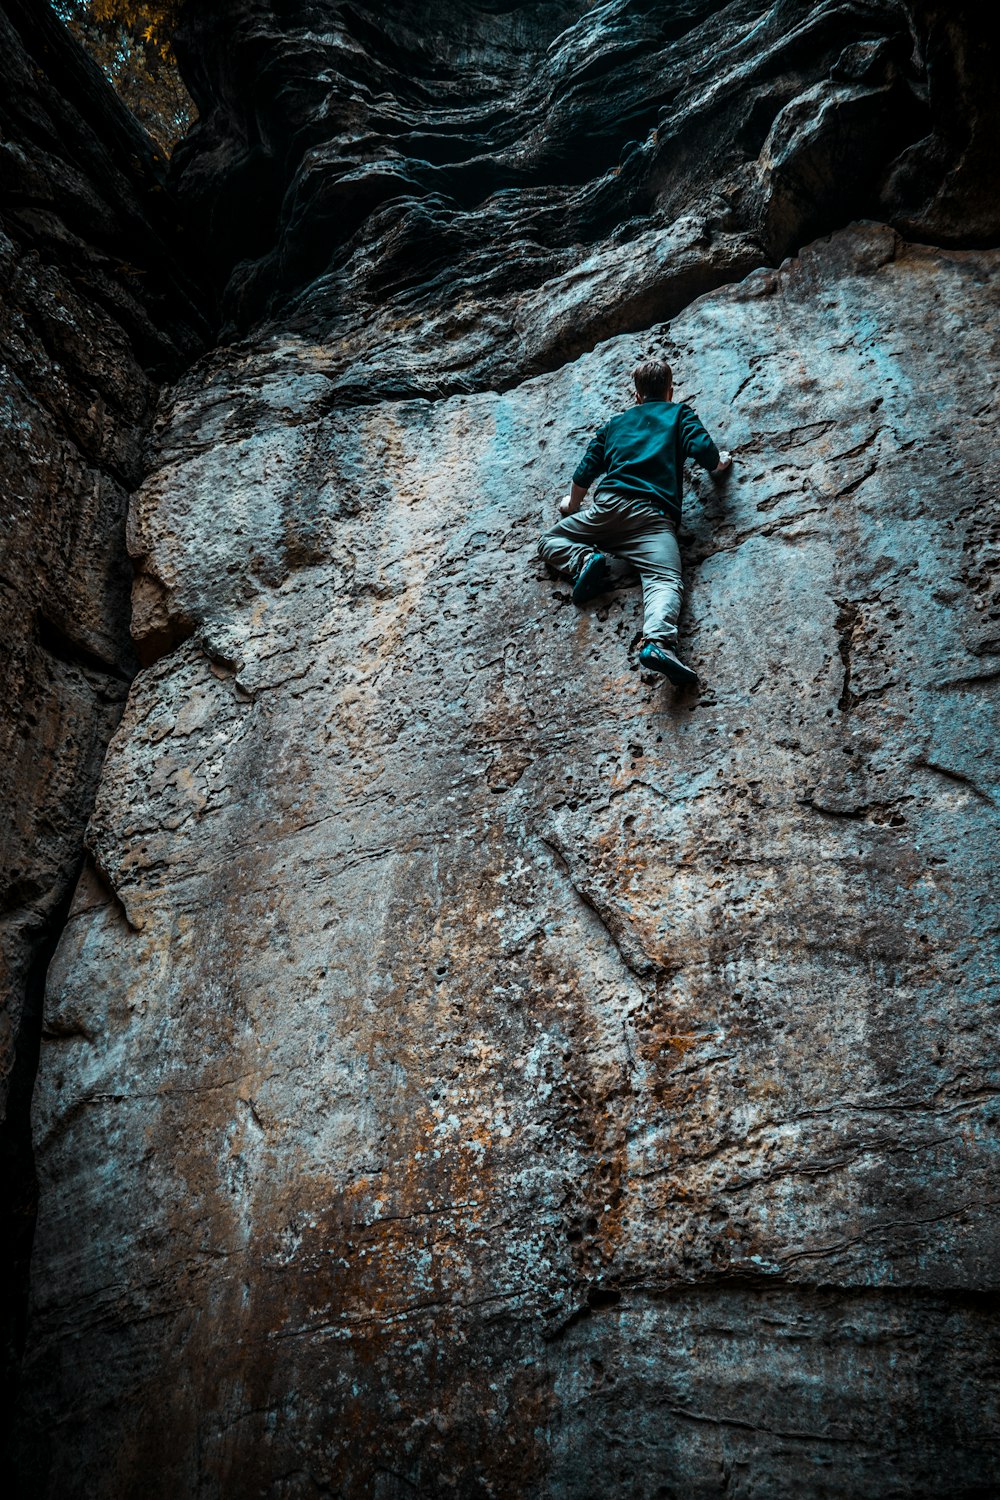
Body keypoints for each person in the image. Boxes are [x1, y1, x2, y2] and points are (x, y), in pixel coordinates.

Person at [537, 358, 731, 686]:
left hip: (608, 511)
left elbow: (586, 469)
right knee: (664, 579)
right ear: (670, 390)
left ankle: (584, 560)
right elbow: (703, 450)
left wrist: (571, 505)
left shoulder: (615, 424)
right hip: (653, 519)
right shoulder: (679, 414)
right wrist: (719, 464)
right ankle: (657, 643)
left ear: (636, 395)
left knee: (550, 540)